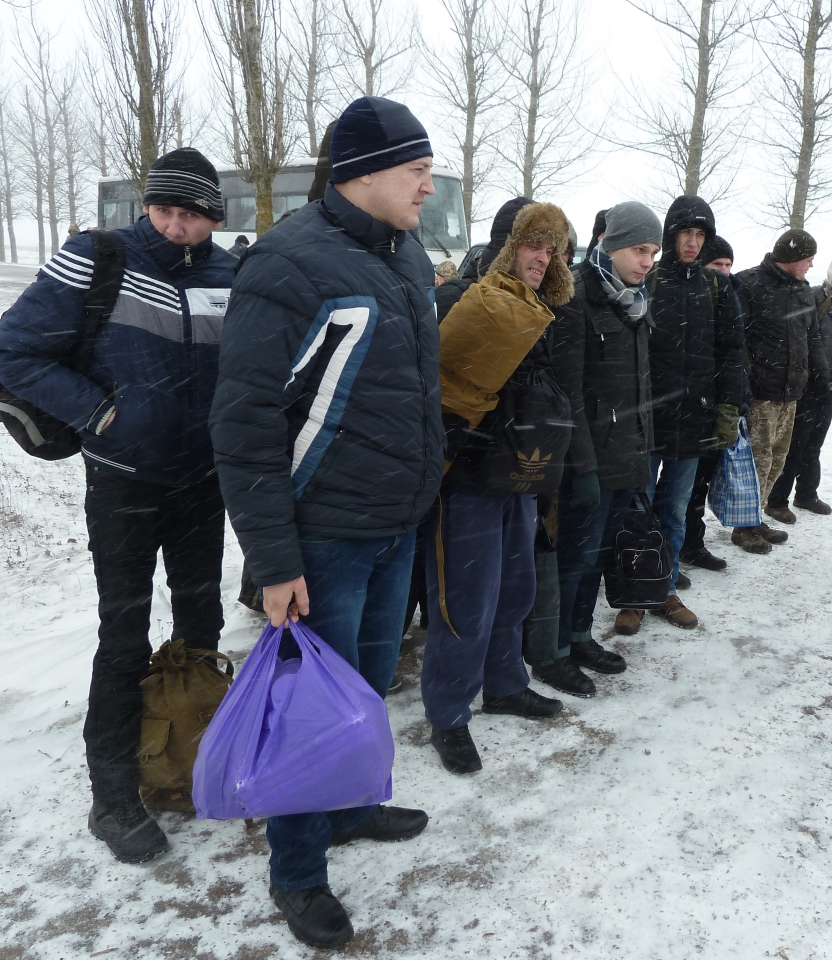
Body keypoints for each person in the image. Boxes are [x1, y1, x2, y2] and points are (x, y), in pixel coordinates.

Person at [209, 96, 441, 950]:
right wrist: (274, 560)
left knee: (365, 692)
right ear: (363, 172)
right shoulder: (286, 265)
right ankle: (298, 872)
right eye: (415, 169)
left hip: (395, 526)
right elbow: (244, 427)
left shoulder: (407, 256)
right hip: (323, 542)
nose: (427, 183)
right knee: (309, 711)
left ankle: (348, 809)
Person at [0, 147, 237, 865]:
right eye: (164, 209)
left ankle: (195, 751)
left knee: (203, 621)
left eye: (191, 214)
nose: (176, 226)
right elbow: (15, 350)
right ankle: (115, 796)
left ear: (213, 218)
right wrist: (100, 412)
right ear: (147, 206)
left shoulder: (230, 274)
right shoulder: (100, 258)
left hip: (202, 481)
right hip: (124, 479)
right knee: (123, 635)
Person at [422, 202, 575, 773]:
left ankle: (505, 683)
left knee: (515, 586)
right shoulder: (463, 299)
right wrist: (458, 432)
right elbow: (440, 382)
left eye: (552, 249)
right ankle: (448, 712)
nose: (543, 258)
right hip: (466, 479)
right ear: (509, 245)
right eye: (534, 246)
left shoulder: (540, 308)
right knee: (465, 599)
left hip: (519, 472)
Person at [534, 201, 662, 698]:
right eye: (638, 249)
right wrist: (582, 469)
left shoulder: (636, 300)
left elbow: (637, 390)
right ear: (609, 246)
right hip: (587, 461)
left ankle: (580, 635)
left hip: (628, 456)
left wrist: (643, 454)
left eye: (652, 251)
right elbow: (568, 393)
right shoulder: (576, 298)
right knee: (575, 558)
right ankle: (554, 653)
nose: (647, 260)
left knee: (600, 554)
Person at [614, 196, 743, 635]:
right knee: (638, 510)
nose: (692, 242)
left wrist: (730, 406)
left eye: (700, 235)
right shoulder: (649, 281)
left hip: (696, 419)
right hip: (647, 420)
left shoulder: (716, 286)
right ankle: (634, 594)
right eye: (685, 233)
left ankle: (664, 590)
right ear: (670, 235)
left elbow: (732, 351)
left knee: (675, 510)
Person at [733, 228, 828, 553]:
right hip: (761, 394)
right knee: (756, 463)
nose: (811, 266)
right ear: (791, 258)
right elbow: (738, 340)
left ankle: (756, 516)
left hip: (792, 394)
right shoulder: (750, 283)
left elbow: (811, 337)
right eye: (808, 259)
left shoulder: (802, 290)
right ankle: (743, 527)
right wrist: (745, 381)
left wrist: (821, 375)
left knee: (777, 461)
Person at [768, 245, 832, 519]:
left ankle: (806, 495)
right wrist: (813, 370)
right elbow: (798, 336)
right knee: (794, 444)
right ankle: (776, 501)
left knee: (815, 444)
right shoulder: (815, 298)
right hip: (807, 387)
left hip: (830, 388)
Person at [680, 234, 746, 575]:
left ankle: (692, 544)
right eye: (716, 264)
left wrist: (734, 404)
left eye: (728, 265)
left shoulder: (729, 297)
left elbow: (735, 355)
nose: (723, 271)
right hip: (681, 407)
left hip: (714, 407)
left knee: (700, 484)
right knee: (676, 490)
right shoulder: (685, 295)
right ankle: (664, 552)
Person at [436, 196, 533, 319]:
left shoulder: (545, 310)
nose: (544, 259)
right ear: (506, 249)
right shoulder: (453, 299)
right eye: (533, 246)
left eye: (550, 251)